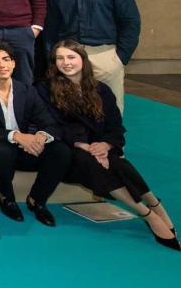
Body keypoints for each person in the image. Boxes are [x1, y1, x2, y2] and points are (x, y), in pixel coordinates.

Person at [37, 40, 178, 251]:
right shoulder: (45, 88)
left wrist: (105, 145)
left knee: (119, 164)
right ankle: (147, 214)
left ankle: (154, 203)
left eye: (71, 57)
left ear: (83, 61)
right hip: (69, 151)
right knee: (93, 163)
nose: (66, 63)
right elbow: (50, 124)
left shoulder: (100, 89)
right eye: (60, 58)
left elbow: (115, 126)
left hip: (99, 148)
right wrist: (82, 145)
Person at [0, 39, 71, 226]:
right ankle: (7, 198)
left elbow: (50, 124)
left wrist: (40, 138)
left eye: (6, 59)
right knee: (3, 150)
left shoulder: (27, 90)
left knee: (61, 151)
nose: (2, 65)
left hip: (24, 149)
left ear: (13, 63)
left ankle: (37, 200)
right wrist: (16, 136)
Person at [43, 0, 140, 113]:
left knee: (110, 111)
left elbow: (131, 22)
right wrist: (53, 58)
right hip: (69, 57)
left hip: (106, 56)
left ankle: (111, 141)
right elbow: (51, 27)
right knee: (71, 110)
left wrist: (120, 57)